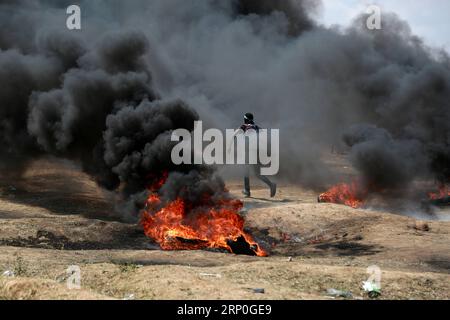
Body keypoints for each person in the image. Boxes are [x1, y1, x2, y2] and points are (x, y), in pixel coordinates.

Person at [229, 113, 277, 198]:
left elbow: (234, 135)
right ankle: (271, 184)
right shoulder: (256, 127)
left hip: (249, 151)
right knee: (257, 173)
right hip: (257, 151)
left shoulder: (244, 126)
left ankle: (247, 191)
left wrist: (230, 146)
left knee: (246, 170)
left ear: (245, 119)